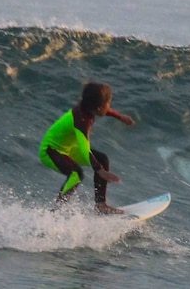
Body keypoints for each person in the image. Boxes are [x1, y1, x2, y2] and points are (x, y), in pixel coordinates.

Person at [39, 82, 135, 214]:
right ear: (98, 108)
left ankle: (101, 205)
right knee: (76, 174)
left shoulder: (86, 108)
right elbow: (85, 149)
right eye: (108, 103)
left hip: (67, 148)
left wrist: (119, 116)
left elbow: (104, 110)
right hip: (50, 151)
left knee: (101, 159)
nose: (109, 106)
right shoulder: (81, 121)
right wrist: (100, 170)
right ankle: (55, 212)